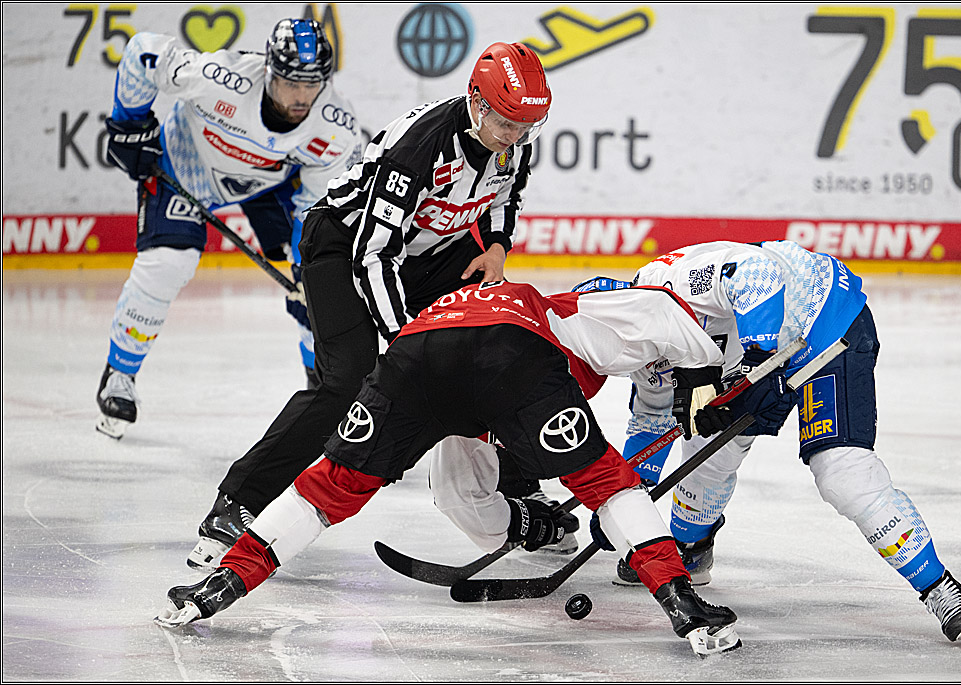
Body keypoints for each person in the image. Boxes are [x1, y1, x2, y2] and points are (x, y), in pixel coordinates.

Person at [156, 279, 744, 656]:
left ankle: (218, 585)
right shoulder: (572, 312)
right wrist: (719, 376)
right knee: (604, 481)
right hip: (510, 356)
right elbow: (668, 314)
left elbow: (460, 498)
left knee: (332, 483)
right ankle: (681, 602)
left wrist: (515, 526)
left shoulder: (459, 311)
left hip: (415, 357)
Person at [184, 42, 577, 571]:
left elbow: (507, 194)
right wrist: (403, 339)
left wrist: (497, 247)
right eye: (508, 122)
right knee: (347, 381)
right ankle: (237, 504)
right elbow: (374, 252)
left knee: (489, 354)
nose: (518, 135)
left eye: (530, 123)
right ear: (476, 102)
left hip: (435, 249)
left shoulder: (515, 137)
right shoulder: (420, 148)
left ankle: (519, 491)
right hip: (345, 245)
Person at [582, 240, 961, 648]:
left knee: (842, 474)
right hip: (759, 357)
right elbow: (651, 427)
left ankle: (938, 585)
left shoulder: (674, 280)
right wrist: (623, 503)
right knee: (706, 450)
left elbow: (758, 272)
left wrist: (755, 362)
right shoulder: (634, 353)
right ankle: (690, 547)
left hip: (822, 329)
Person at [96, 18, 362, 439]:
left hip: (265, 185)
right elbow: (143, 50)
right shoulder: (220, 78)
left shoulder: (337, 128)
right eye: (292, 82)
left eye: (313, 84)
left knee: (320, 282)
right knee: (169, 263)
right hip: (185, 169)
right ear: (270, 71)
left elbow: (315, 209)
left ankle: (323, 388)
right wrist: (128, 125)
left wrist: (305, 264)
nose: (302, 97)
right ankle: (119, 373)